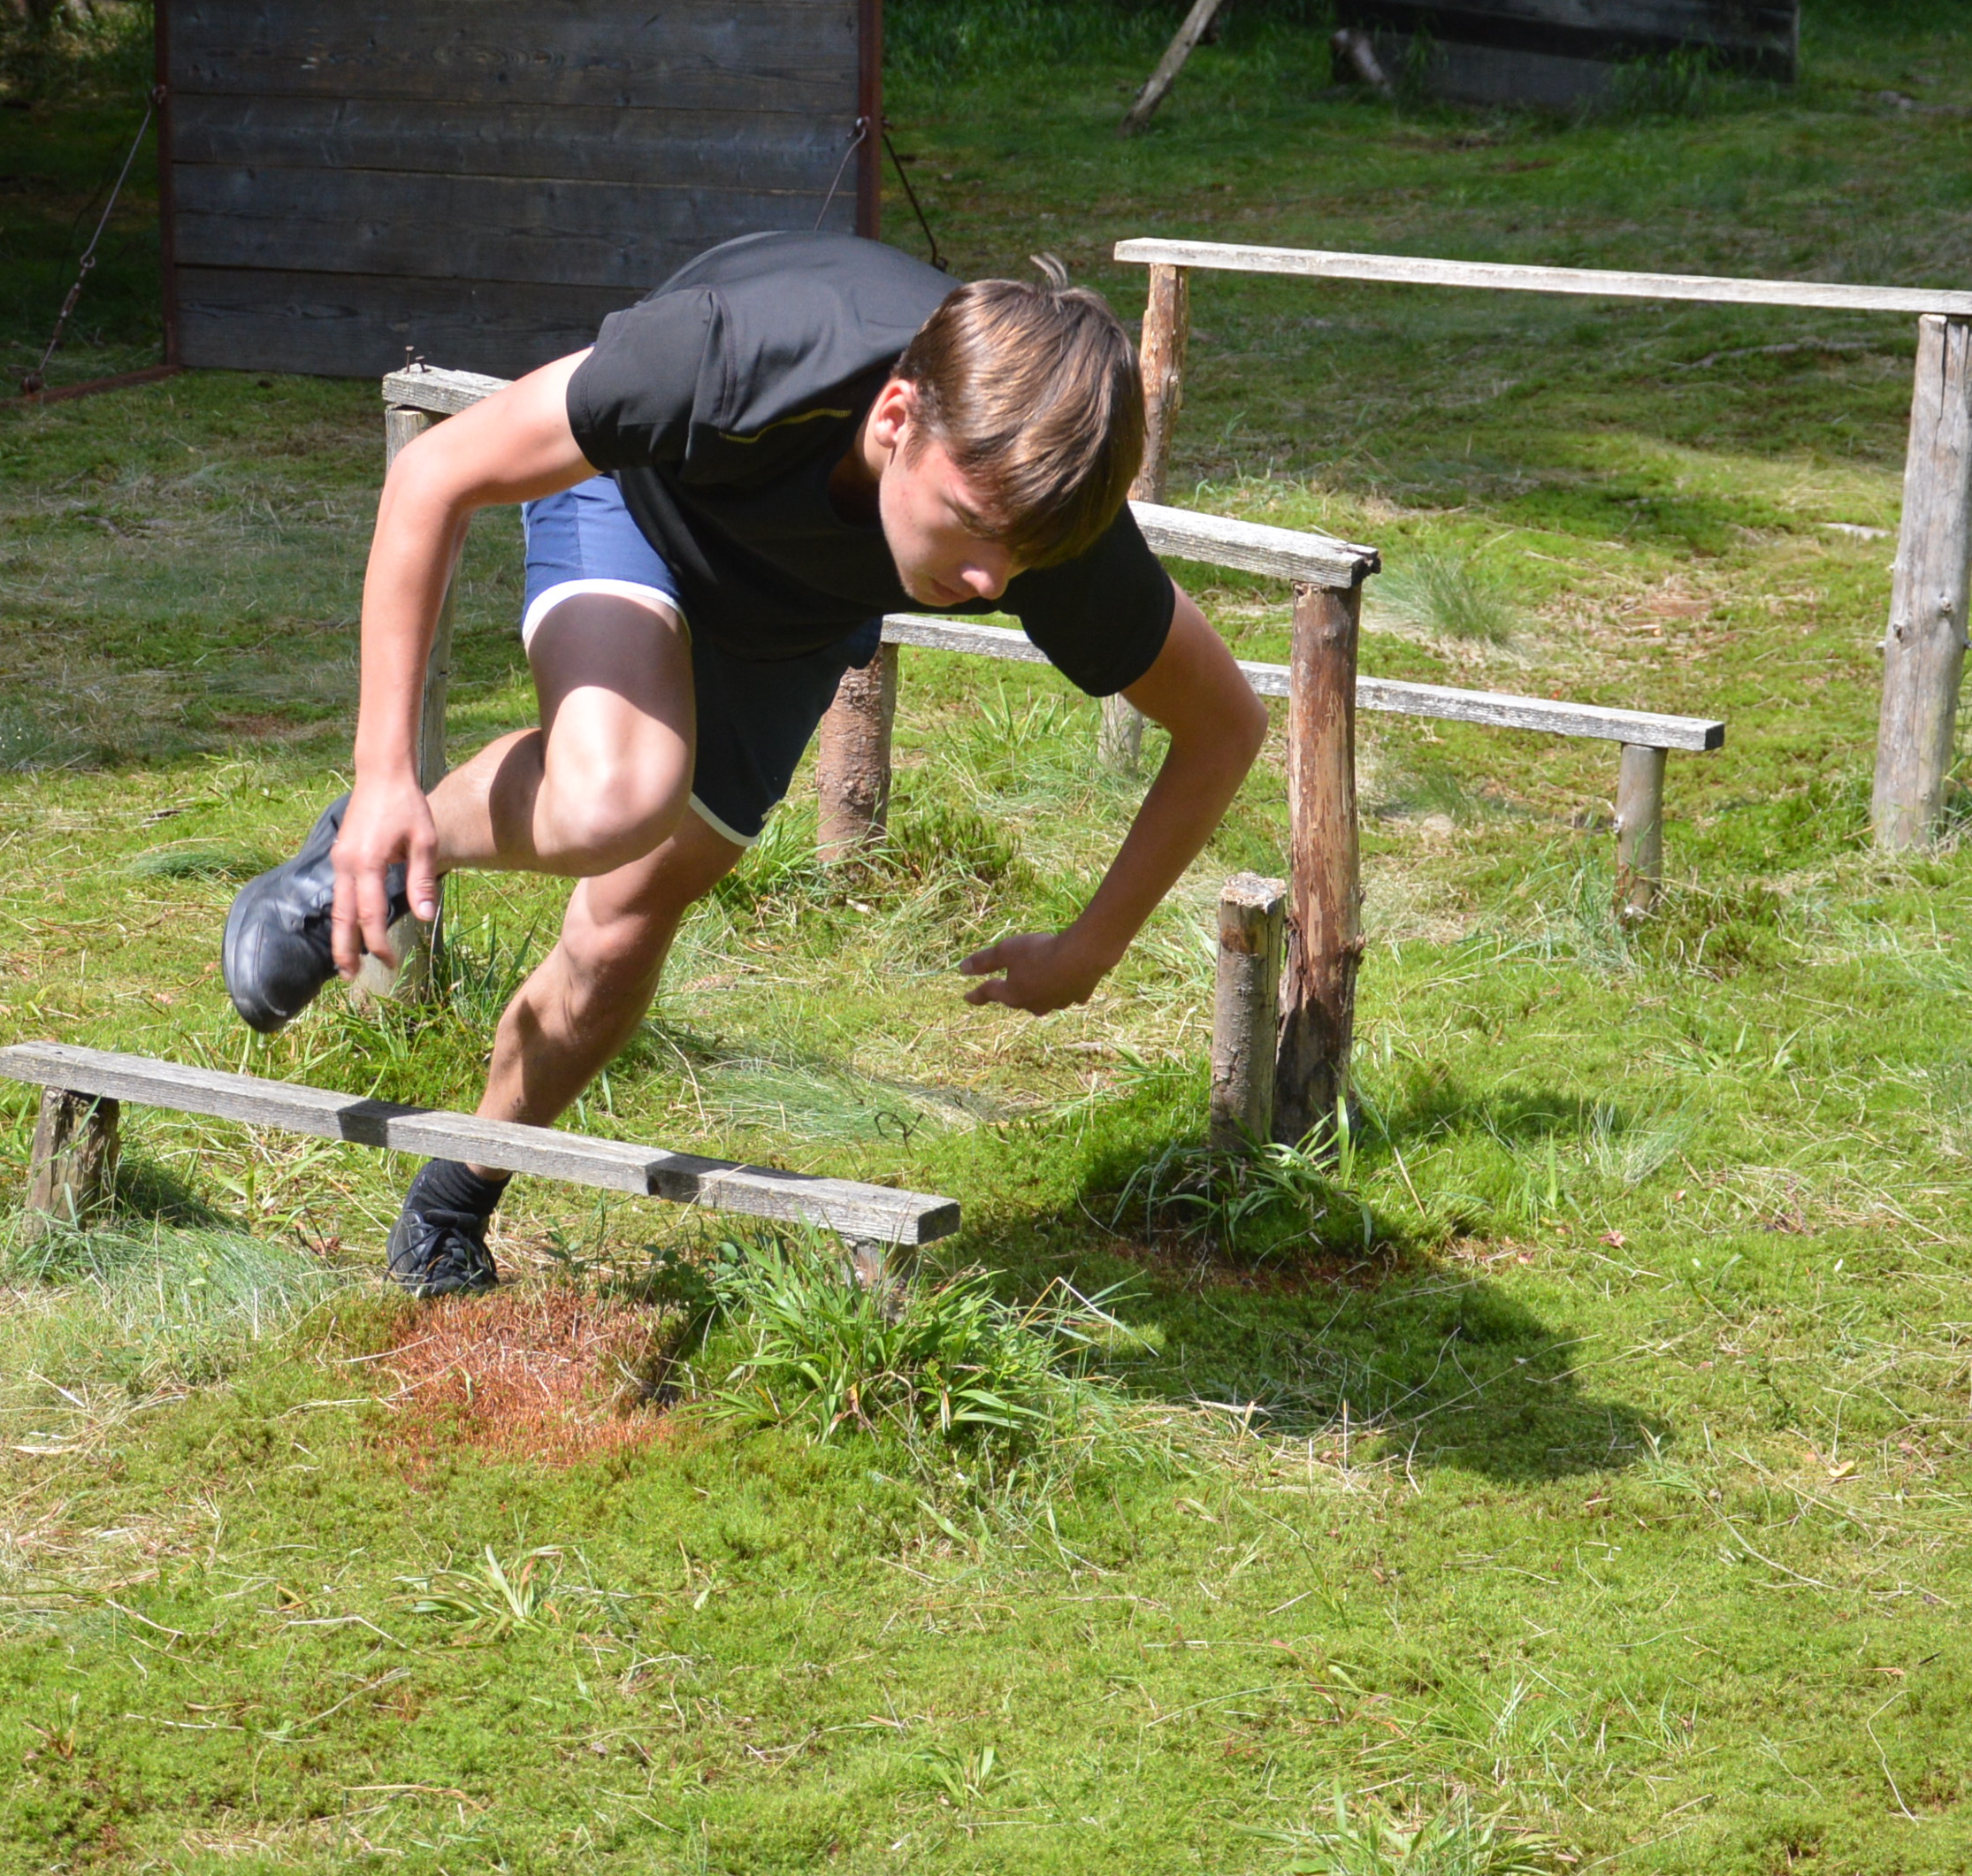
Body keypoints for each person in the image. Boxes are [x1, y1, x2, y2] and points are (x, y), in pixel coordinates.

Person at [224, 231, 1267, 1296]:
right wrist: (386, 774)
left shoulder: (1046, 522)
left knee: (625, 925)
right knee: (618, 794)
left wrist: (1092, 946)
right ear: (895, 418)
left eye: (1022, 558)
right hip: (636, 501)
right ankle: (369, 850)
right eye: (970, 527)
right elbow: (437, 474)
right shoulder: (741, 358)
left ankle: (457, 1196)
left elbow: (1225, 727)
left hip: (788, 621)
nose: (990, 582)